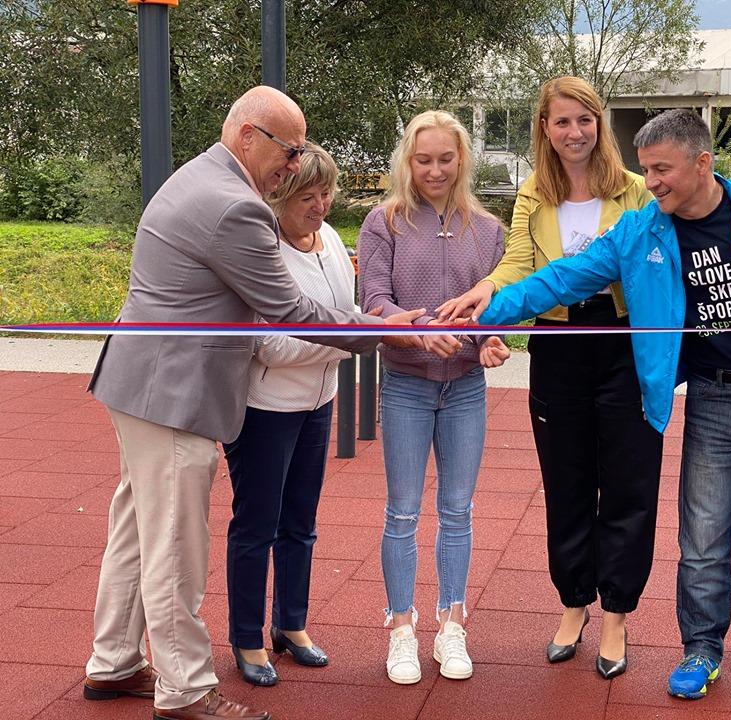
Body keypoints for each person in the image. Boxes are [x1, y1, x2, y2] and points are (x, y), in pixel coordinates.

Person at [476, 108, 731, 699]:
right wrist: (485, 314)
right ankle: (701, 650)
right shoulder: (640, 231)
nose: (651, 183)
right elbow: (561, 280)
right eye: (646, 169)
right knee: (702, 542)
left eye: (662, 170)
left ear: (703, 163)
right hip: (713, 397)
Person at [82, 86, 423, 720]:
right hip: (170, 394)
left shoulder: (201, 176)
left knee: (137, 528)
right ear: (248, 136)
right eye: (289, 151)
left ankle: (114, 661)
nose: (294, 166)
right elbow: (290, 310)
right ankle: (185, 689)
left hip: (144, 383)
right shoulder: (234, 205)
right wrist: (382, 329)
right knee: (174, 542)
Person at [437, 76, 662, 680]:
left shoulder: (636, 191)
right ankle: (574, 602)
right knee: (566, 482)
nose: (574, 132)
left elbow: (649, 265)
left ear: (600, 123)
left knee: (628, 483)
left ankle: (616, 612)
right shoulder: (535, 192)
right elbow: (518, 263)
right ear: (545, 128)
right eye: (562, 121)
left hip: (623, 341)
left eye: (585, 120)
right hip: (558, 344)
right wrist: (485, 289)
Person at [358, 110, 511, 685]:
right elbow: (374, 301)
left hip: (466, 387)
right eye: (424, 160)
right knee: (402, 510)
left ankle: (452, 623)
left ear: (462, 159)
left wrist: (492, 341)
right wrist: (422, 328)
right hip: (406, 384)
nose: (435, 170)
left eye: (446, 159)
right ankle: (401, 627)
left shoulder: (488, 230)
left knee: (458, 510)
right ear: (408, 160)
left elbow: (495, 308)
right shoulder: (384, 222)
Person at [222, 144, 357, 687]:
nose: (320, 206)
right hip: (266, 408)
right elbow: (270, 346)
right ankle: (247, 638)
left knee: (301, 521)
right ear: (280, 198)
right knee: (257, 525)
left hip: (318, 402)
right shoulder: (264, 249)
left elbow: (347, 313)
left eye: (326, 193)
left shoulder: (331, 240)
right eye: (307, 197)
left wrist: (351, 331)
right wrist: (349, 339)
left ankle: (291, 624)